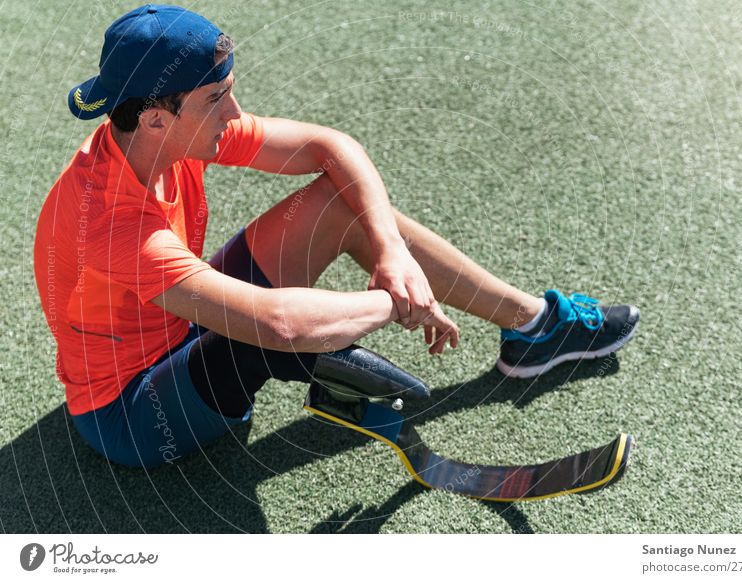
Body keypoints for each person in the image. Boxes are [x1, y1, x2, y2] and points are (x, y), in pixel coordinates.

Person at [33, 5, 640, 468]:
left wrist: (393, 254)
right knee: (269, 335)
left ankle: (533, 328)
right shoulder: (108, 221)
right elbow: (277, 324)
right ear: (158, 117)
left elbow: (329, 147)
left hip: (181, 324)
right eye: (217, 99)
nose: (235, 113)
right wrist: (394, 301)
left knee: (335, 204)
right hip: (133, 412)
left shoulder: (160, 136)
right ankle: (325, 372)